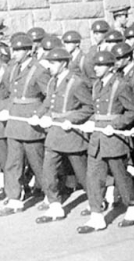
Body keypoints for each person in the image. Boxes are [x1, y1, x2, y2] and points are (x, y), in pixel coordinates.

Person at [79, 45, 134, 233]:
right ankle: (96, 216)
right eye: (95, 65)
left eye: (100, 65)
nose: (96, 68)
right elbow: (97, 112)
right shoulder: (97, 85)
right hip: (98, 139)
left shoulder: (121, 85)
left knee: (122, 178)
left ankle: (133, 207)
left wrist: (115, 125)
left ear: (110, 66)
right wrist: (90, 122)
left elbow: (133, 110)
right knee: (93, 178)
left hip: (114, 139)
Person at [35, 47, 93, 224]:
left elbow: (89, 108)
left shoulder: (76, 82)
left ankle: (95, 201)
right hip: (54, 134)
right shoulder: (53, 81)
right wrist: (38, 115)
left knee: (82, 173)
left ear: (63, 63)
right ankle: (55, 206)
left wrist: (72, 119)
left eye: (52, 63)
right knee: (48, 170)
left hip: (71, 134)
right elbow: (48, 102)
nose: (49, 66)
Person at [0, 33, 49, 216]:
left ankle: (50, 196)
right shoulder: (12, 68)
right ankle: (14, 199)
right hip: (14, 122)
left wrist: (40, 115)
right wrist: (5, 108)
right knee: (12, 163)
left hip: (30, 124)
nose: (16, 53)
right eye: (14, 49)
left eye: (20, 49)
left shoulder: (39, 70)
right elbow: (6, 92)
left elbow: (49, 97)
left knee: (38, 163)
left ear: (29, 50)